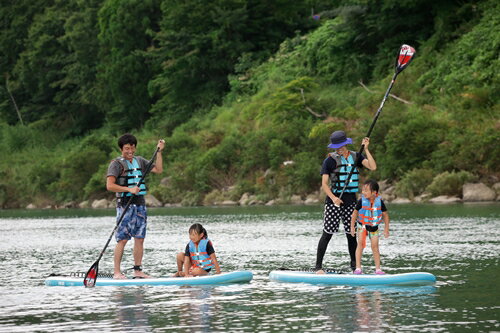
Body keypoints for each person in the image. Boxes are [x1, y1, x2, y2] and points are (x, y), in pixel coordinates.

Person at [315, 130, 377, 274]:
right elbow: (324, 184)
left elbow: (373, 167)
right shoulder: (329, 161)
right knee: (327, 233)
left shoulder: (356, 156)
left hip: (351, 201)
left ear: (346, 144)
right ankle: (318, 267)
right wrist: (334, 198)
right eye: (336, 147)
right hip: (333, 201)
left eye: (341, 146)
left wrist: (366, 149)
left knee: (351, 233)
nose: (339, 149)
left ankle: (355, 267)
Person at [106, 133, 165, 279]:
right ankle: (117, 272)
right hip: (125, 204)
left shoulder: (140, 161)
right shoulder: (116, 164)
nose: (130, 151)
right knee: (123, 239)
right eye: (127, 148)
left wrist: (159, 152)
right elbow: (110, 186)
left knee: (140, 238)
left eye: (132, 148)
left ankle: (137, 271)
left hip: (139, 204)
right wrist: (128, 189)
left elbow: (158, 170)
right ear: (121, 149)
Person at [350, 180, 390, 274]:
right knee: (360, 244)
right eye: (363, 190)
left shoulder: (379, 201)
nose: (363, 192)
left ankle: (378, 269)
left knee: (375, 247)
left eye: (366, 190)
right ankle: (358, 268)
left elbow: (385, 215)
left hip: (373, 227)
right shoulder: (361, 201)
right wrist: (352, 227)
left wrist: (386, 229)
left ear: (374, 192)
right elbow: (354, 214)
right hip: (362, 225)